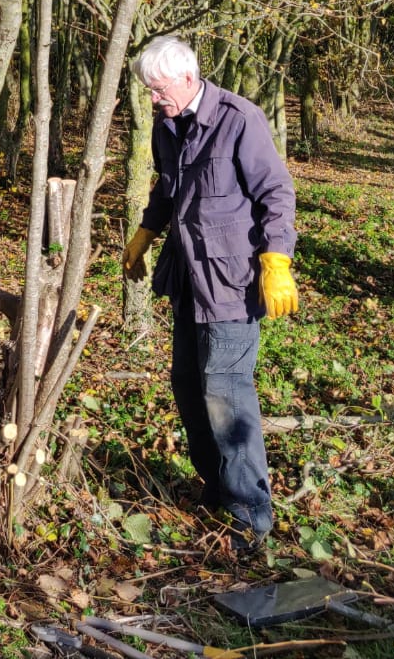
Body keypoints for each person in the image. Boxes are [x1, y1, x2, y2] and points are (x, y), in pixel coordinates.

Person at [122, 35, 298, 548]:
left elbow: (276, 193)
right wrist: (145, 233)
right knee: (187, 385)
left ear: (186, 77)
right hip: (188, 280)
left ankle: (251, 517)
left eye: (157, 89)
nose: (152, 99)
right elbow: (166, 188)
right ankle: (218, 488)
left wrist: (277, 260)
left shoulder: (240, 120)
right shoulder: (166, 126)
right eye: (148, 91)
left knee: (226, 393)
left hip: (234, 284)